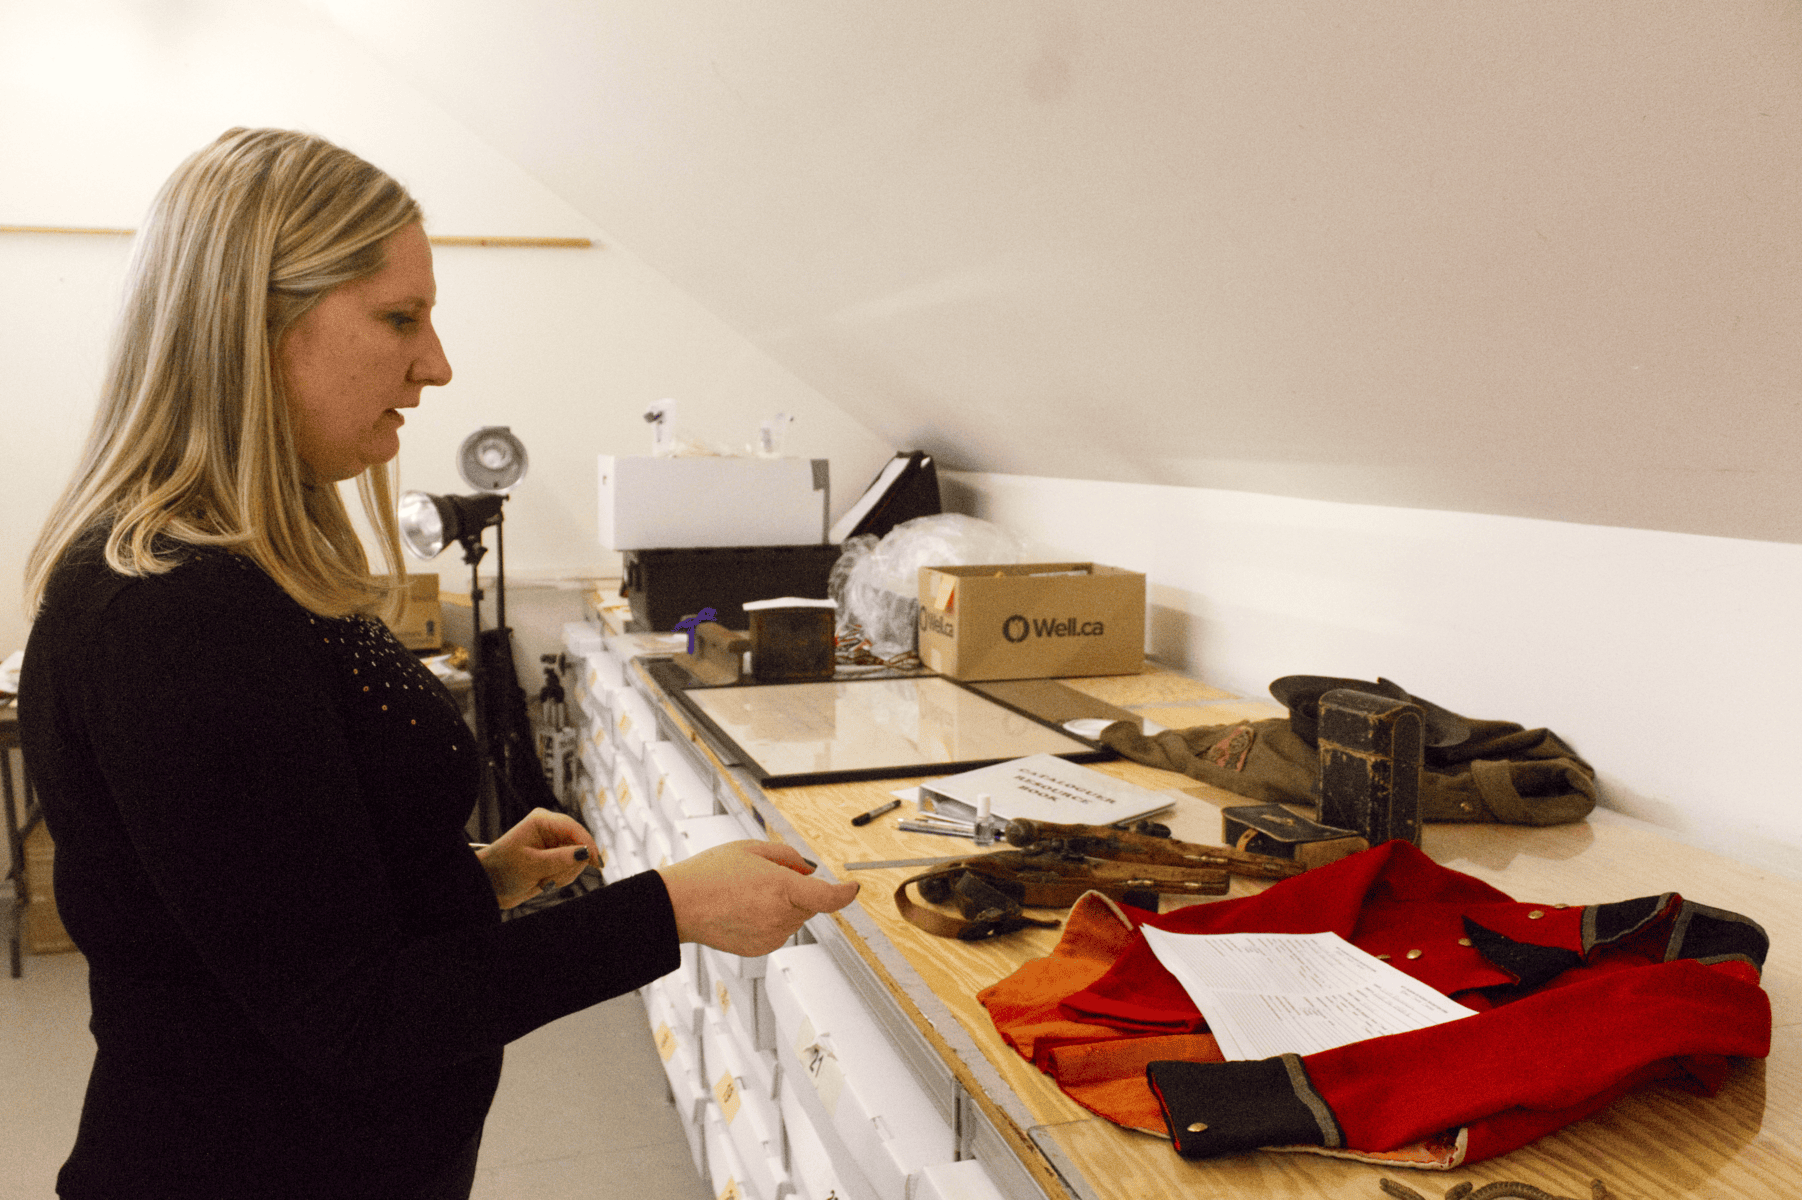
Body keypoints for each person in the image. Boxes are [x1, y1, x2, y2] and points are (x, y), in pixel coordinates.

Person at [17, 127, 859, 1200]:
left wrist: (472, 877)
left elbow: (258, 906)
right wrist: (668, 910)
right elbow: (352, 1013)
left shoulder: (248, 575)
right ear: (252, 327)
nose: (437, 363)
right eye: (398, 318)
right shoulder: (178, 613)